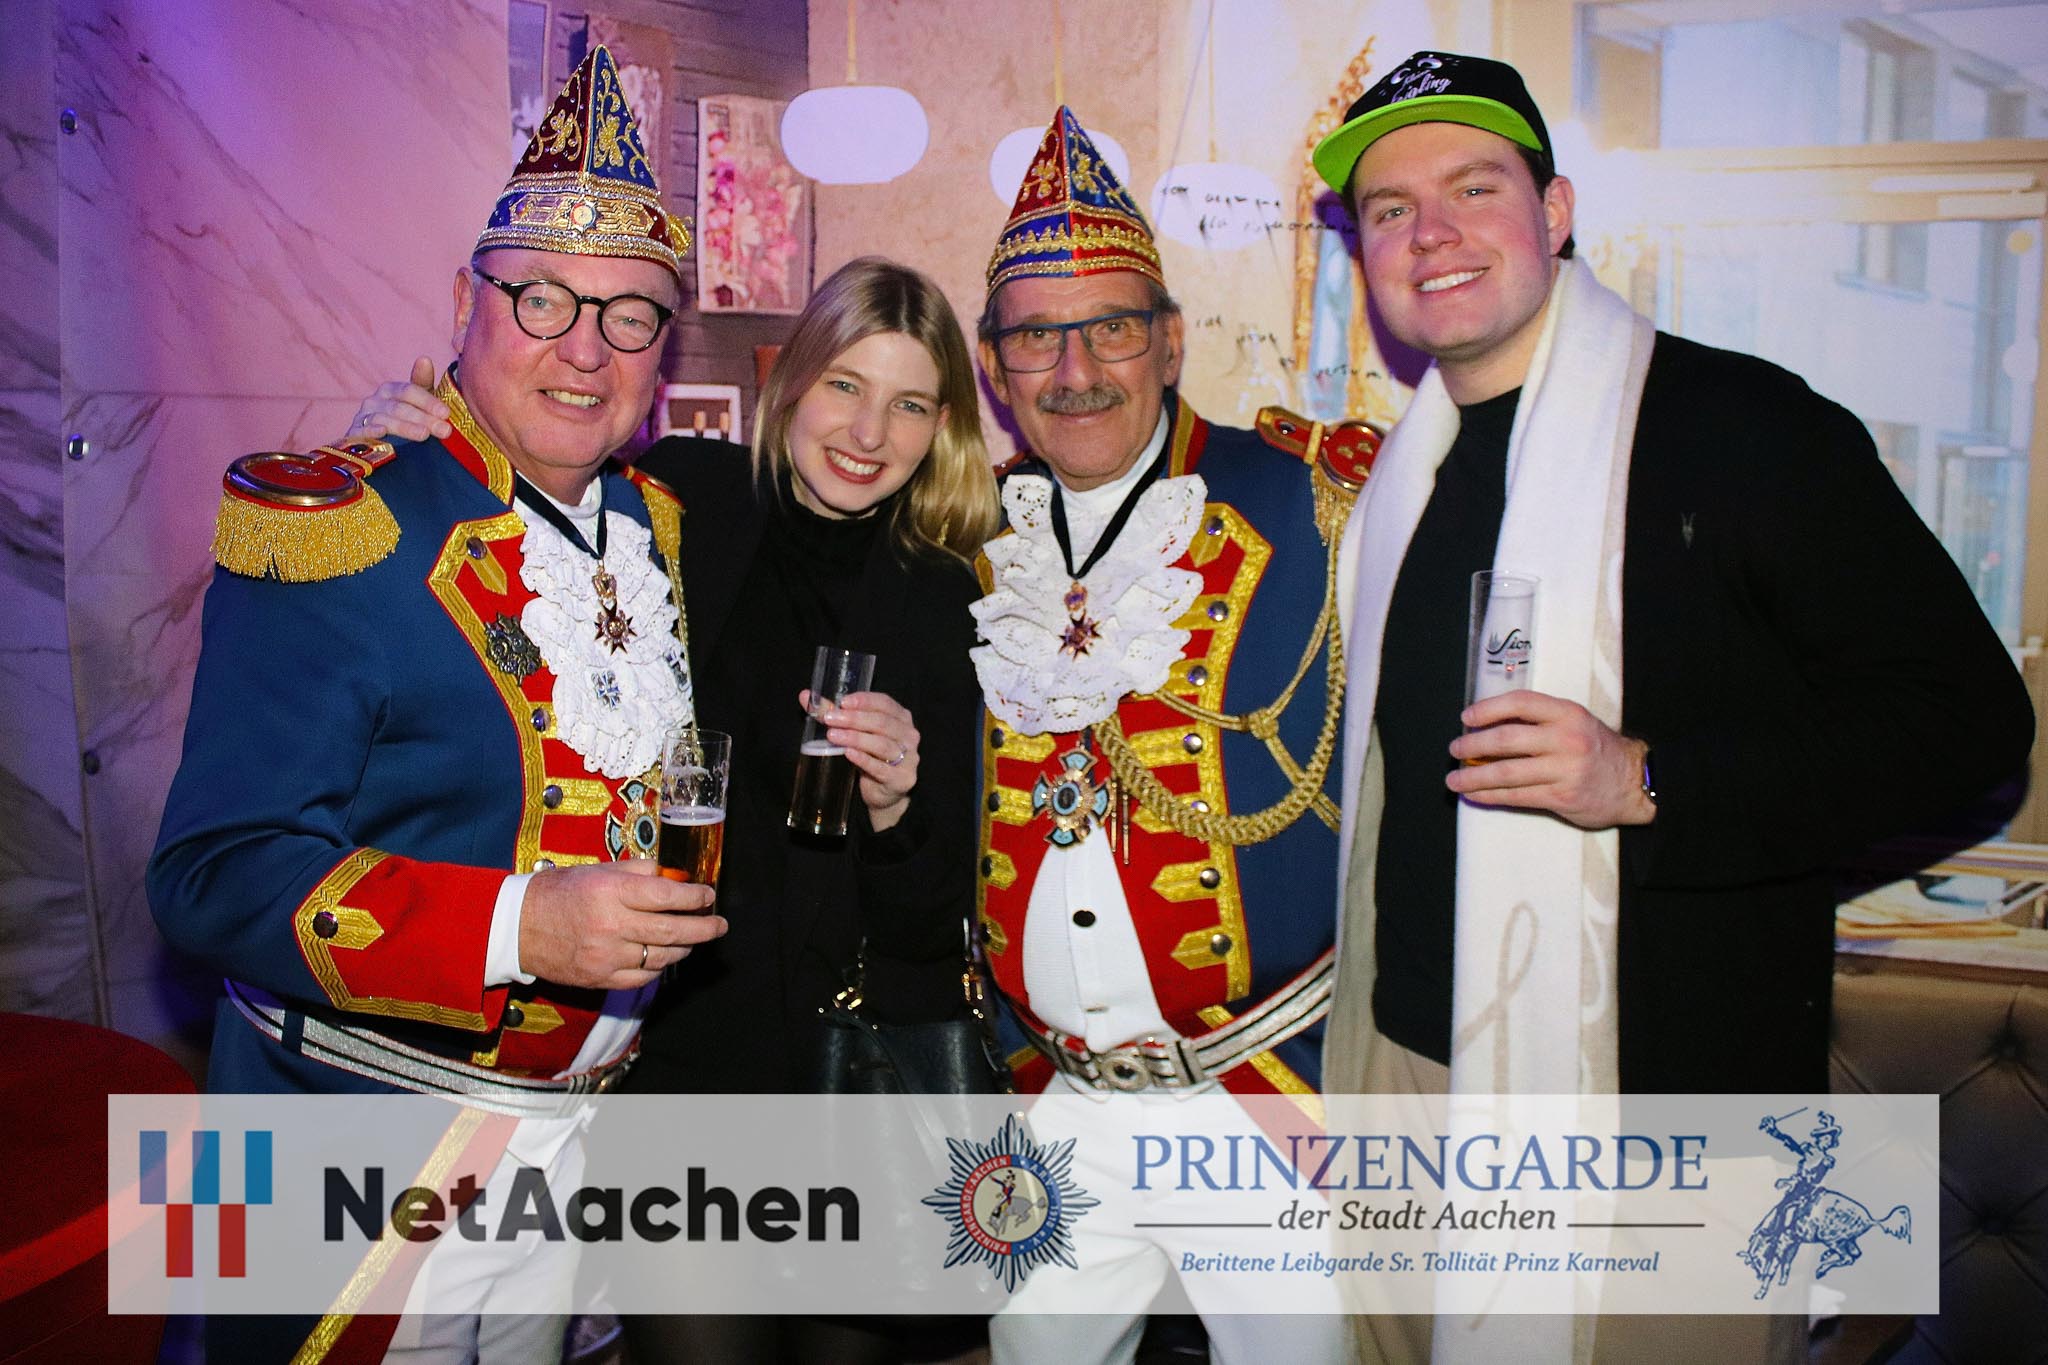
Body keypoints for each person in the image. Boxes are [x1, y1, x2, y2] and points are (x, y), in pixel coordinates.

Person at [1308, 49, 2034, 1363]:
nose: (1432, 234)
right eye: (1391, 209)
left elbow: (1966, 721)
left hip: (1669, 1107)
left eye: (1473, 187)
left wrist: (1648, 779)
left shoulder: (1743, 427)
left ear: (1555, 210)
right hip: (1405, 1076)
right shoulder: (1393, 483)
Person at [147, 48, 725, 1365]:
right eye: (543, 299)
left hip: (572, 1150)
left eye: (631, 316)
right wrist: (524, 925)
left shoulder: (659, 528)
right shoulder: (339, 522)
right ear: (466, 303)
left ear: (665, 348)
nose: (584, 349)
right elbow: (210, 874)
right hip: (359, 1146)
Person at [347, 255, 1000, 1363]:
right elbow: (518, 514)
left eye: (909, 404)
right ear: (788, 381)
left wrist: (896, 810)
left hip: (854, 1076)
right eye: (845, 385)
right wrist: (403, 446)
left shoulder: (944, 595)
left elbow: (935, 921)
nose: (867, 432)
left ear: (941, 428)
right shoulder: (676, 503)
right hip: (685, 1057)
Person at [968, 107, 1377, 1365]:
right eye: (1034, 334)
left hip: (1265, 1098)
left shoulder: (1315, 504)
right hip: (1050, 1099)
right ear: (992, 363)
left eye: (1109, 326)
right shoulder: (962, 541)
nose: (1074, 368)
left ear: (1169, 338)